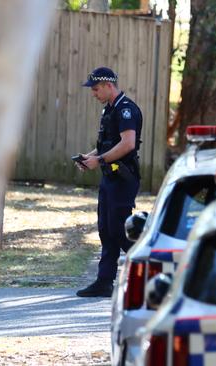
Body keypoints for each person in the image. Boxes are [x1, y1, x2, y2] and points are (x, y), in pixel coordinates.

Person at [75, 67, 143, 297]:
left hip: (123, 179)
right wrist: (90, 157)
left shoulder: (126, 110)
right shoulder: (110, 109)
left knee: (120, 230)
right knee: (106, 229)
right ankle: (104, 281)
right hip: (110, 177)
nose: (93, 93)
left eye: (95, 89)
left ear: (108, 85)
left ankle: (149, 270)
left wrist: (99, 160)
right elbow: (108, 143)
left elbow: (128, 144)